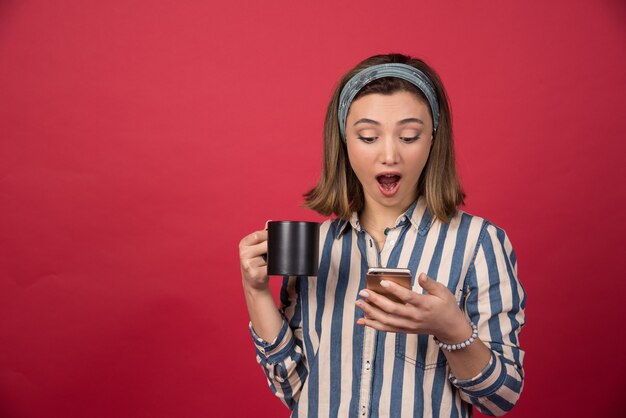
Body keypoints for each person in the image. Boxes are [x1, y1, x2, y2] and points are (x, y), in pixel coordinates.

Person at [239, 53, 526, 417]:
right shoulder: (316, 247)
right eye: (369, 136)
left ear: (433, 139)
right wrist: (256, 291)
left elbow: (501, 398)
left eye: (409, 136)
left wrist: (452, 330)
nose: (389, 155)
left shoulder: (479, 244)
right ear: (344, 140)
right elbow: (295, 389)